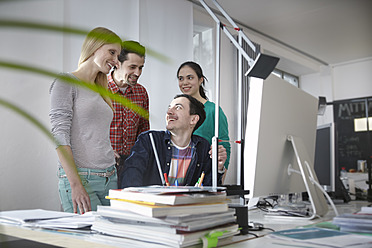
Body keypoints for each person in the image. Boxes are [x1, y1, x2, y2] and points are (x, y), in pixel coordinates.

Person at [49, 27, 122, 214]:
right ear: (94, 46)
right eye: (112, 52)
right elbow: (59, 135)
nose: (115, 61)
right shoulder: (66, 82)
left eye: (117, 55)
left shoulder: (102, 90)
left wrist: (103, 149)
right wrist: (75, 184)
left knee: (111, 241)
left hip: (110, 177)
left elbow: (93, 130)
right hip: (82, 179)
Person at [121, 94, 227, 188]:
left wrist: (218, 168)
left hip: (184, 209)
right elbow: (130, 180)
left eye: (178, 108)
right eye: (169, 108)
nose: (169, 112)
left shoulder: (202, 147)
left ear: (193, 119)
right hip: (150, 207)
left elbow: (209, 190)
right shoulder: (149, 140)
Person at [177, 61, 231, 177]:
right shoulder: (176, 110)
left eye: (190, 78)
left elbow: (224, 145)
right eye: (181, 79)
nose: (184, 82)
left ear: (201, 80)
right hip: (179, 173)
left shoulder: (214, 111)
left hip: (203, 175)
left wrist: (220, 177)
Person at [107, 40, 149, 188]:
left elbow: (144, 133)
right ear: (117, 63)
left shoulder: (141, 93)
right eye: (132, 67)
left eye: (141, 67)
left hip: (131, 170)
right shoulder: (98, 88)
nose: (137, 73)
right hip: (103, 168)